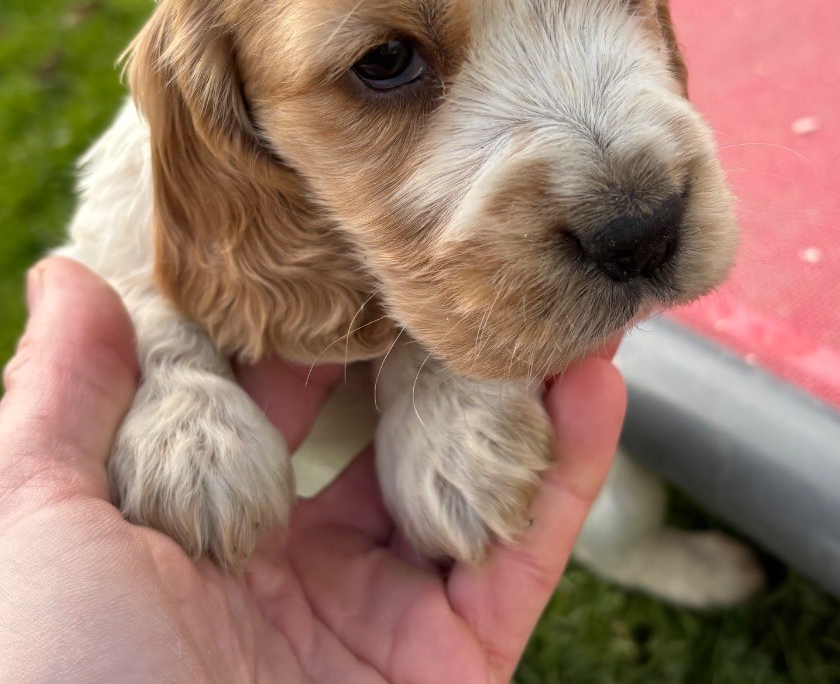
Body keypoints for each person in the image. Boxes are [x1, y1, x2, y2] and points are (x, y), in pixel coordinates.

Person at [0, 257, 625, 683]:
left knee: (585, 447)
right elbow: (132, 251)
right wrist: (173, 370)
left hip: (355, 573)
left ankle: (635, 548)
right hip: (330, 557)